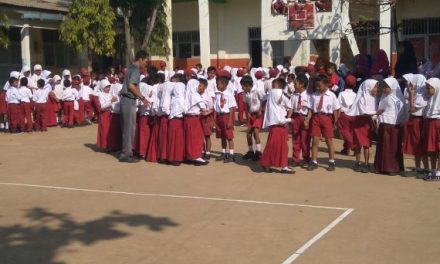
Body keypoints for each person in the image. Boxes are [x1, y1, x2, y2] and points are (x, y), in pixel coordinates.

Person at [118, 50, 149, 163]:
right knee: (129, 129)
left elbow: (125, 86)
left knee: (127, 128)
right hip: (129, 100)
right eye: (145, 61)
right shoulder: (135, 70)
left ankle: (126, 152)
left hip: (125, 100)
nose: (146, 63)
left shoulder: (130, 68)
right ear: (140, 59)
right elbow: (131, 86)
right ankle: (126, 154)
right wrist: (142, 98)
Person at [307, 74, 341, 171]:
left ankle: (331, 161)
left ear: (326, 85)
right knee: (315, 141)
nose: (317, 87)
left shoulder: (332, 95)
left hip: (327, 118)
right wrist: (307, 119)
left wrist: (336, 121)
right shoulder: (314, 95)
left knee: (329, 140)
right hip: (316, 118)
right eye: (316, 85)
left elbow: (336, 109)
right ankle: (314, 161)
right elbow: (310, 109)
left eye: (319, 86)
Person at [259, 78, 293, 173]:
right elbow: (290, 108)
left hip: (277, 123)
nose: (273, 85)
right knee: (280, 146)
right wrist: (288, 119)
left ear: (279, 85)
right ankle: (281, 165)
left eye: (275, 84)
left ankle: (269, 163)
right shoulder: (280, 93)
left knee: (274, 145)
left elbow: (289, 108)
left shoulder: (272, 93)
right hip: (280, 123)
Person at [374, 77, 406, 176]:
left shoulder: (398, 99)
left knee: (392, 147)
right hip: (384, 124)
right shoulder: (384, 97)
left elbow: (401, 112)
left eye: (386, 87)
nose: (384, 89)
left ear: (392, 87)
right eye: (383, 87)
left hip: (393, 125)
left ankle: (393, 167)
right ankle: (380, 166)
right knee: (382, 146)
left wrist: (400, 121)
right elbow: (381, 109)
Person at [346, 79, 379, 173]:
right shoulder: (361, 98)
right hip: (360, 122)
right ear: (368, 87)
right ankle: (358, 162)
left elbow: (374, 114)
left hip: (368, 123)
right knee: (358, 144)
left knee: (367, 144)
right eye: (375, 87)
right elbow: (364, 112)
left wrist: (376, 121)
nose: (376, 89)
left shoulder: (374, 98)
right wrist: (376, 112)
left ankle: (366, 163)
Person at [401, 74, 429, 177]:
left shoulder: (422, 95)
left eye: (413, 83)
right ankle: (418, 167)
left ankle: (426, 168)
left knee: (419, 144)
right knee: (415, 144)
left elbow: (412, 109)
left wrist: (411, 95)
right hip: (414, 120)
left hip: (418, 121)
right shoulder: (418, 93)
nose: (410, 85)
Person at [184, 78, 210, 166]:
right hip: (194, 119)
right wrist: (209, 111)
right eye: (198, 85)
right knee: (198, 138)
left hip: (186, 118)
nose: (199, 87)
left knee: (188, 138)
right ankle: (197, 157)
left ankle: (189, 156)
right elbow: (203, 109)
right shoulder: (196, 95)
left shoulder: (186, 94)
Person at [241, 75, 266, 161]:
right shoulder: (245, 93)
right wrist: (247, 113)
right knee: (248, 133)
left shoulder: (258, 90)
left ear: (247, 85)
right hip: (251, 114)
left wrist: (261, 110)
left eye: (243, 86)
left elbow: (264, 100)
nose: (242, 88)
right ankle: (251, 151)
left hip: (258, 115)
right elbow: (246, 104)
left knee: (255, 132)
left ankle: (258, 152)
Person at [290, 73, 311, 168]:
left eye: (296, 83)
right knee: (296, 139)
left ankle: (306, 158)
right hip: (295, 117)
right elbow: (290, 107)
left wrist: (307, 120)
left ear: (302, 84)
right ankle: (295, 159)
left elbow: (310, 109)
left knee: (304, 139)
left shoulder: (308, 95)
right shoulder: (294, 95)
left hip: (304, 117)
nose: (294, 85)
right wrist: (288, 119)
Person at [214, 75, 237, 162]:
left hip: (227, 116)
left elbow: (232, 108)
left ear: (224, 84)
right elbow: (216, 107)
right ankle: (223, 152)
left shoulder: (229, 95)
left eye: (218, 84)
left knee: (229, 136)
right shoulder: (217, 95)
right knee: (222, 136)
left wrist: (230, 120)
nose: (217, 85)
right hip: (220, 116)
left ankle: (231, 154)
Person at [423, 78, 440, 181]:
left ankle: (439, 171)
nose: (427, 90)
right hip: (431, 122)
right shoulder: (431, 99)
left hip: (438, 122)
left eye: (429, 88)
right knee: (432, 148)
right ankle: (434, 170)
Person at [337, 74, 357, 156]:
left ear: (345, 84)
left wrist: (337, 117)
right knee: (350, 132)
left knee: (344, 131)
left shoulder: (341, 94)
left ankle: (353, 146)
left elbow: (338, 106)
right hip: (353, 115)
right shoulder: (356, 95)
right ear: (355, 85)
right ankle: (346, 148)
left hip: (344, 114)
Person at [167, 82, 185, 166]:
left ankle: (171, 157)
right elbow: (184, 110)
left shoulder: (172, 98)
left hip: (172, 120)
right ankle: (177, 158)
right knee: (177, 141)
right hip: (178, 121)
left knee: (172, 140)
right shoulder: (181, 99)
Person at [97, 79, 116, 150]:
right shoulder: (100, 94)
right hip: (104, 114)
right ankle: (106, 146)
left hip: (110, 114)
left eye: (109, 87)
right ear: (102, 87)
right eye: (106, 87)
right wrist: (111, 101)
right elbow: (102, 107)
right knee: (105, 131)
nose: (108, 89)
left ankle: (110, 145)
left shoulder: (109, 94)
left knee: (110, 131)